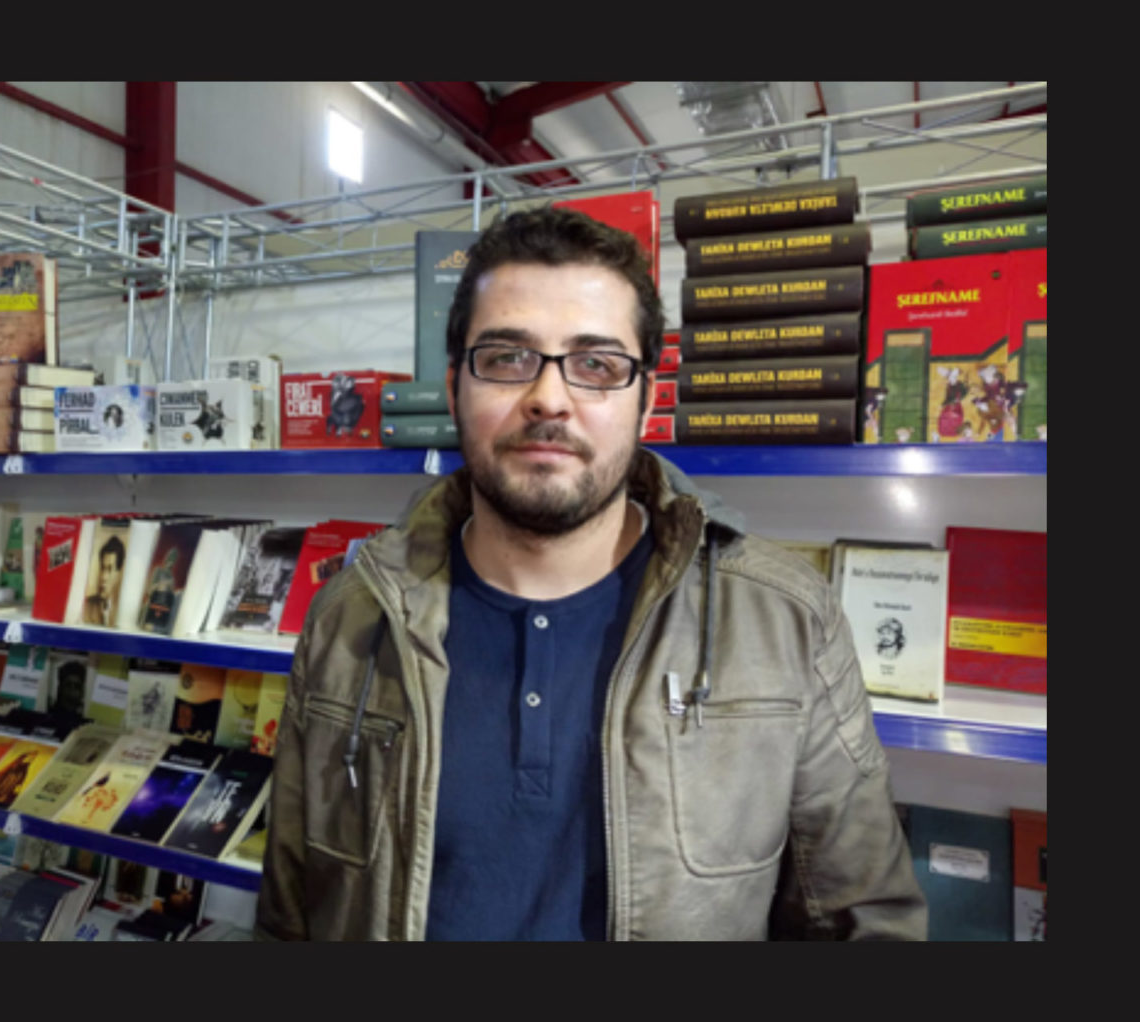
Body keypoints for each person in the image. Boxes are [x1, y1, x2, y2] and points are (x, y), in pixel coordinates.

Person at [255, 206, 926, 941]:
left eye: (597, 365)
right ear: (454, 389)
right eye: (506, 357)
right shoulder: (349, 618)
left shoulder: (789, 621)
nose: (548, 398)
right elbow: (291, 910)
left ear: (646, 400)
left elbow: (865, 923)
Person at [83, 537, 125, 626]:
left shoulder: (123, 610)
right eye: (102, 568)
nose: (103, 577)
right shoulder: (87, 606)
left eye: (110, 569)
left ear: (119, 573)